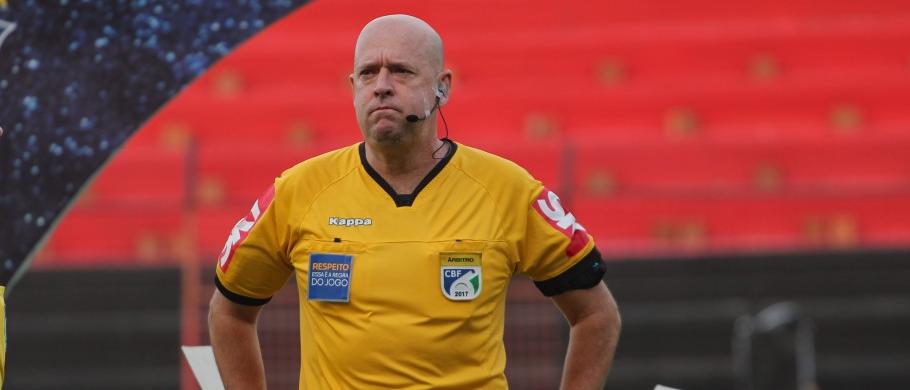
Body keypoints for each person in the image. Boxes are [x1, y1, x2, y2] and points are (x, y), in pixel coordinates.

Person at [208, 14, 621, 390]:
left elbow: (596, 313)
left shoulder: (508, 190)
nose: (382, 85)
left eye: (401, 71)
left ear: (443, 87)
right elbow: (229, 312)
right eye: (368, 73)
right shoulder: (298, 191)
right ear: (353, 88)